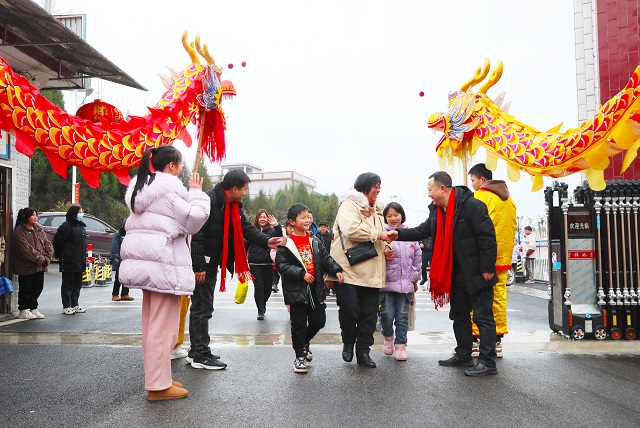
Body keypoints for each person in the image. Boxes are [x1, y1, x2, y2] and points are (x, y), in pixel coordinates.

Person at [119, 146, 210, 401]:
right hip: (164, 266)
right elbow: (195, 219)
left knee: (153, 326)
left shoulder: (143, 191)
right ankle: (158, 386)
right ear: (171, 166)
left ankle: (159, 378)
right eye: (180, 165)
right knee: (163, 328)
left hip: (152, 267)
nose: (181, 170)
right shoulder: (169, 193)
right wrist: (196, 193)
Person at [388, 171, 498, 376]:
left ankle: (488, 362)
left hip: (476, 272)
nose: (428, 194)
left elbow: (487, 238)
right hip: (455, 274)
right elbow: (422, 231)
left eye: (430, 190)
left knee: (483, 317)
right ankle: (464, 354)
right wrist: (398, 234)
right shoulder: (437, 211)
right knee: (459, 315)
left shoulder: (472, 206)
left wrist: (487, 268)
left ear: (442, 188)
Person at [188, 169, 281, 370]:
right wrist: (199, 266)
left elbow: (246, 228)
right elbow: (197, 234)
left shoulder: (233, 206)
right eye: (245, 189)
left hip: (212, 262)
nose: (246, 193)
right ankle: (200, 354)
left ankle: (196, 350)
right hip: (204, 263)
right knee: (202, 308)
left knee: (200, 307)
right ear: (234, 188)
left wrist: (267, 241)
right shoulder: (209, 200)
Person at [328, 172, 391, 369]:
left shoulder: (378, 209)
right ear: (364, 186)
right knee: (349, 310)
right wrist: (379, 234)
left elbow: (381, 239)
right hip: (349, 269)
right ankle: (348, 341)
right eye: (375, 185)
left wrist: (387, 248)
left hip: (372, 271)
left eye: (380, 186)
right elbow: (351, 230)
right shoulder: (349, 204)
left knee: (369, 314)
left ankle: (364, 351)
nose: (378, 190)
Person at [276, 203, 344, 373]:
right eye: (303, 217)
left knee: (318, 321)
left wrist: (336, 270)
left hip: (315, 288)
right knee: (298, 324)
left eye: (308, 216)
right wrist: (301, 273)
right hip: (296, 289)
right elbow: (281, 265)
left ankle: (304, 342)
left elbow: (326, 259)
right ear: (292, 221)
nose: (307, 220)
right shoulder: (286, 243)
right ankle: (299, 356)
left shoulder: (315, 240)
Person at [468, 163, 516, 359]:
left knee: (477, 300)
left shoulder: (481, 197)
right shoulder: (509, 200)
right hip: (503, 258)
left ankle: (476, 341)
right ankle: (497, 341)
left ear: (482, 180)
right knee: (499, 298)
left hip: (483, 259)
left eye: (473, 180)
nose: (472, 185)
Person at [380, 202, 421, 361]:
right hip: (386, 284)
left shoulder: (411, 235)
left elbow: (417, 260)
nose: (392, 219)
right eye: (389, 216)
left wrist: (415, 278)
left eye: (395, 215)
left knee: (402, 317)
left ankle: (401, 346)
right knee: (387, 315)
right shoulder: (382, 234)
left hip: (406, 285)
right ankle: (388, 338)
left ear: (402, 215)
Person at [13, 208, 54, 319]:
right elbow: (24, 249)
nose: (35, 217)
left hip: (39, 265)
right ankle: (24, 310)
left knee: (37, 287)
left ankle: (33, 308)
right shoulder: (19, 231)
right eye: (33, 215)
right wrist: (38, 258)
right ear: (25, 217)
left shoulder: (38, 229)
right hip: (26, 266)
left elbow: (47, 244)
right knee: (26, 288)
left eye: (36, 215)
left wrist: (46, 257)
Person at [247, 209, 283, 320]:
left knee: (267, 288)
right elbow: (245, 244)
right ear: (257, 219)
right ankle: (260, 309)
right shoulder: (252, 230)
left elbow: (281, 237)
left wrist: (276, 225)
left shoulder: (272, 230)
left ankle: (263, 303)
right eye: (260, 217)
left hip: (268, 263)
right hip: (254, 262)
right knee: (259, 287)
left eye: (264, 217)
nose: (262, 219)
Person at [53, 205, 88, 315]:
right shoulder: (66, 226)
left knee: (77, 284)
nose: (82, 214)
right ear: (74, 213)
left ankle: (75, 304)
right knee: (68, 284)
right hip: (69, 259)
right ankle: (66, 306)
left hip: (79, 259)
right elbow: (58, 242)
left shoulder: (81, 227)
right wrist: (60, 255)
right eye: (80, 212)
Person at [110, 221, 133, 301]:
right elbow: (115, 247)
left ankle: (125, 294)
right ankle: (115, 294)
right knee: (118, 277)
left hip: (129, 258)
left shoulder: (131, 234)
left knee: (127, 277)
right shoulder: (118, 234)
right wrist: (116, 257)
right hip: (120, 258)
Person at [316, 220, 334, 295]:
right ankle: (325, 290)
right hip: (320, 257)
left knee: (330, 273)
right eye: (321, 227)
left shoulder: (331, 236)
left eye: (324, 227)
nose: (323, 229)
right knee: (322, 274)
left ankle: (331, 288)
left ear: (327, 228)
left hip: (329, 256)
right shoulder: (317, 236)